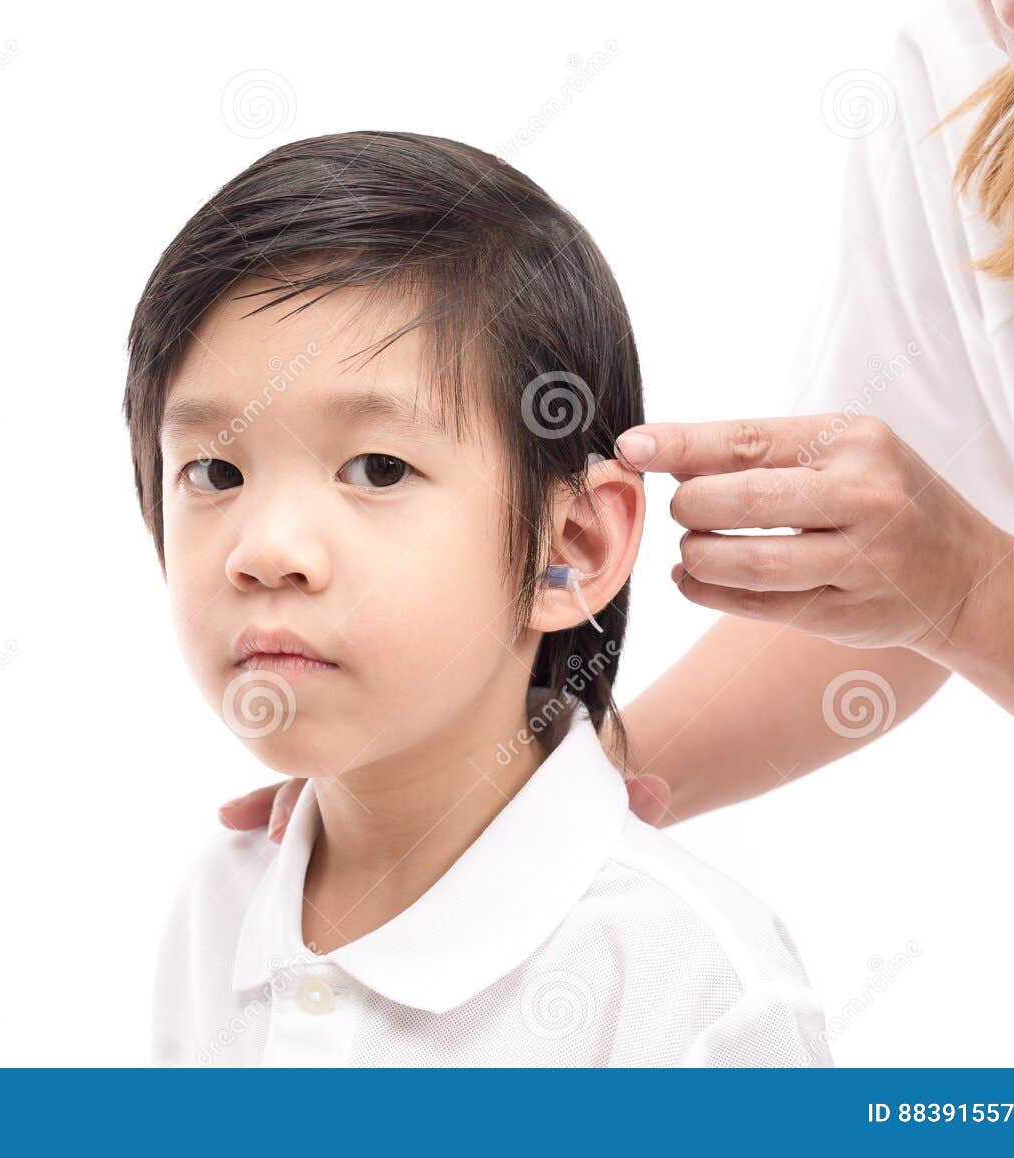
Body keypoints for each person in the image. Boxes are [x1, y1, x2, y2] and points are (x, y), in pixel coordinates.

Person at [223, 0, 1014, 849]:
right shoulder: (970, 68)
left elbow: (936, 583)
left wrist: (976, 593)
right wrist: (552, 794)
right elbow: (879, 589)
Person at [128, 131, 830, 1065]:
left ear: (569, 549)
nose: (265, 551)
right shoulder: (219, 901)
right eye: (214, 470)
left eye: (377, 468)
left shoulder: (691, 983)